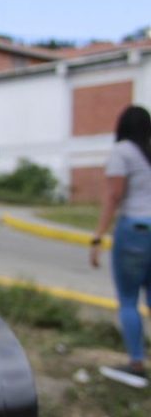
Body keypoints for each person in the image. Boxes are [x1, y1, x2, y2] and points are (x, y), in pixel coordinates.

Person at [90, 105, 151, 388]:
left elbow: (114, 195)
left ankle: (136, 363)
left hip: (135, 230)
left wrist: (98, 236)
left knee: (128, 300)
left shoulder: (122, 151)